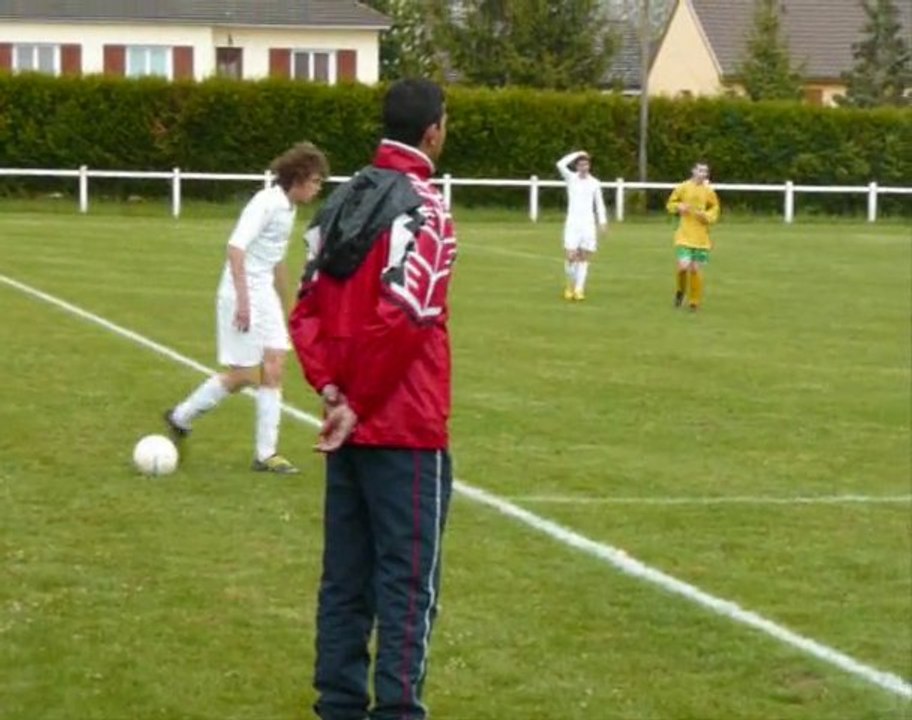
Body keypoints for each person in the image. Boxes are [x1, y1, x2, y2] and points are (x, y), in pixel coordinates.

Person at [288, 78, 456, 720]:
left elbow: (305, 310)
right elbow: (408, 316)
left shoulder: (336, 206)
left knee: (345, 580)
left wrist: (330, 389)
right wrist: (354, 399)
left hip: (347, 424)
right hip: (404, 426)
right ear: (433, 130)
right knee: (408, 584)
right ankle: (396, 709)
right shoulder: (427, 208)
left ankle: (336, 704)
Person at [164, 142, 328, 473]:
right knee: (245, 374)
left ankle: (265, 454)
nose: (317, 189)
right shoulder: (266, 202)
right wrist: (243, 301)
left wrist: (289, 304)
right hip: (242, 292)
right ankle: (182, 416)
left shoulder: (288, 208)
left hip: (262, 293)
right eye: (315, 181)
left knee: (274, 365)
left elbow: (275, 258)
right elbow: (236, 249)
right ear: (298, 178)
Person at [666, 161, 721, 311]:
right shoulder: (683, 187)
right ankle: (680, 291)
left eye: (705, 172)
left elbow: (715, 208)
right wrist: (679, 207)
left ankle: (694, 302)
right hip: (684, 235)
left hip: (701, 238)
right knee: (683, 267)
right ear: (693, 171)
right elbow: (670, 204)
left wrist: (707, 216)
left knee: (695, 269)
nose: (703, 174)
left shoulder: (709, 191)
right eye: (700, 171)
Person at [556, 150, 608, 301]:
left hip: (588, 224)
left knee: (584, 257)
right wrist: (577, 152)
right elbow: (560, 164)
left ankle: (579, 289)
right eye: (580, 165)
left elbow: (599, 204)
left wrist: (602, 222)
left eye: (586, 164)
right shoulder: (571, 179)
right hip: (573, 223)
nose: (584, 167)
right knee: (571, 256)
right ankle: (569, 286)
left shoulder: (594, 183)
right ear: (577, 166)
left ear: (589, 166)